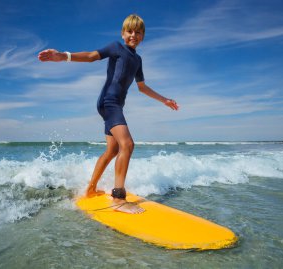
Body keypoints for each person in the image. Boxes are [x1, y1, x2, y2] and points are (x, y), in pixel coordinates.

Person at [38, 14, 179, 214]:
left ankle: (90, 189)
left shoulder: (137, 60)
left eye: (138, 32)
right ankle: (118, 199)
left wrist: (164, 100)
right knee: (128, 145)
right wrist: (64, 56)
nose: (133, 35)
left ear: (143, 36)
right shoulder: (116, 48)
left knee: (113, 150)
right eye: (129, 31)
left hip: (114, 105)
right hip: (109, 102)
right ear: (123, 33)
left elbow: (142, 87)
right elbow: (91, 56)